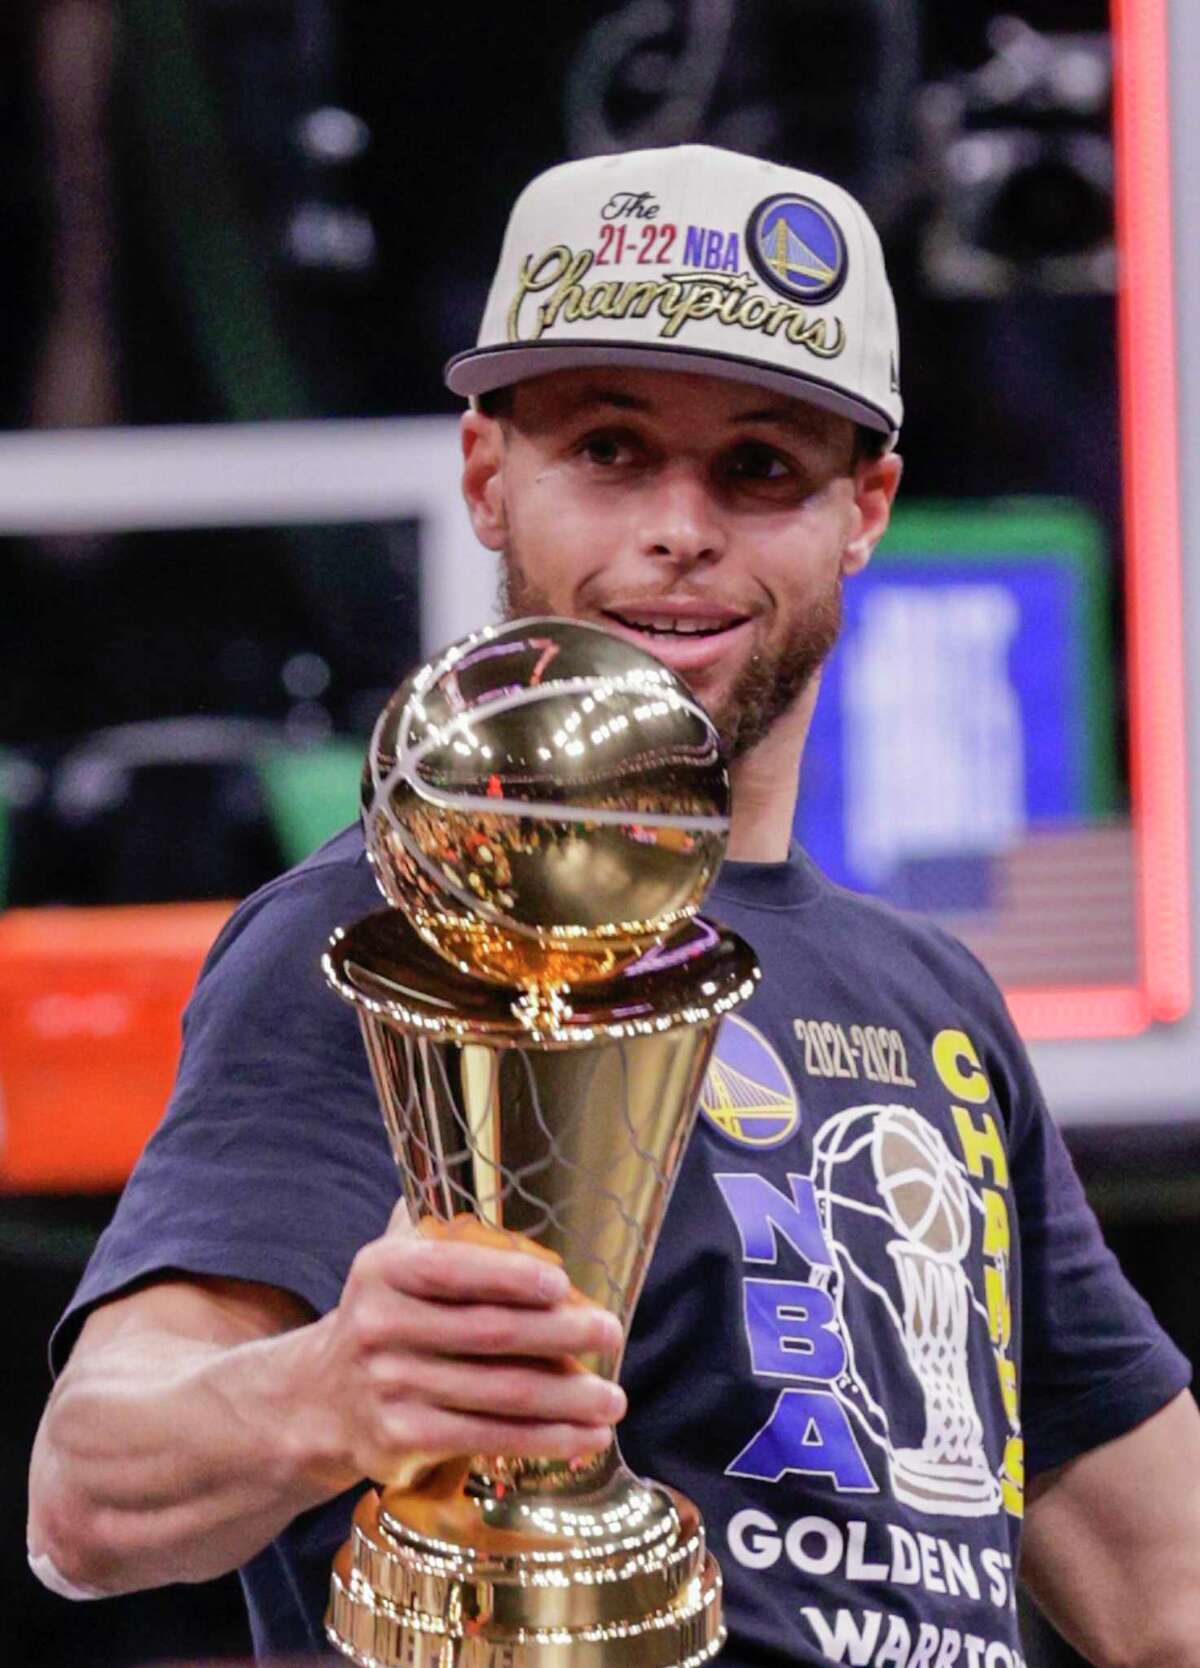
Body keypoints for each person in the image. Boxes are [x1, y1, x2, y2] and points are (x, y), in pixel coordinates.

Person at [28, 145, 1200, 1668]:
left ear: (870, 507)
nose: (679, 526)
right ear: (485, 478)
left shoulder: (931, 996)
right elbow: (89, 1494)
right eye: (611, 450)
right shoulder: (386, 935)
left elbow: (1162, 1583)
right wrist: (326, 1389)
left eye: (760, 468)